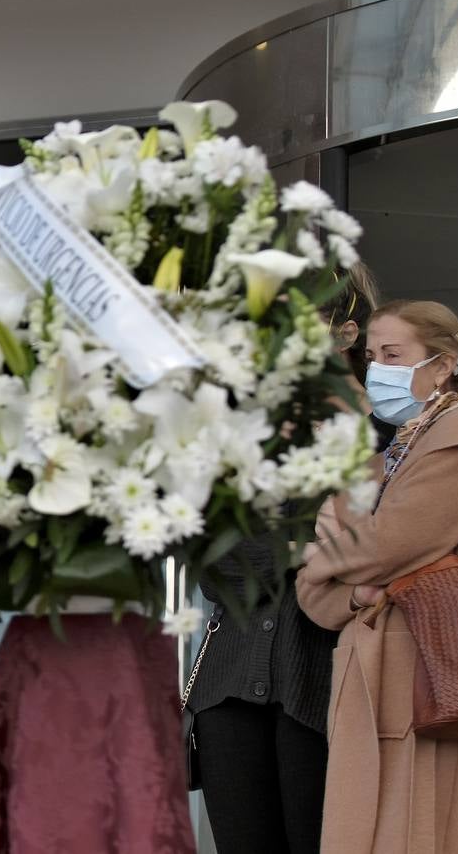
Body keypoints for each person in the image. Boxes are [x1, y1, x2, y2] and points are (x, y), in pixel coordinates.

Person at [187, 265, 390, 854]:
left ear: (345, 335)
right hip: (227, 688)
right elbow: (214, 562)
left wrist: (291, 548)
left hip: (332, 677)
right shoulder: (245, 432)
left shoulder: (389, 435)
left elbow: (382, 553)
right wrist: (311, 550)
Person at [297, 299, 458, 853]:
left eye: (394, 354)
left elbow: (385, 544)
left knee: (424, 830)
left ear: (442, 365)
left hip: (432, 674)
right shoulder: (397, 448)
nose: (377, 369)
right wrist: (357, 585)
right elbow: (316, 596)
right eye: (372, 356)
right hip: (375, 675)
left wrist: (329, 558)